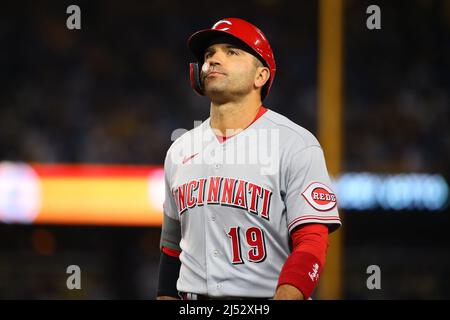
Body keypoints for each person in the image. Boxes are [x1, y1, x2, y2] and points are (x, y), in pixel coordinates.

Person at [157, 18, 341, 300]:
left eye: (232, 52)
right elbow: (171, 249)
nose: (215, 59)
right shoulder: (180, 150)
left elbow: (312, 243)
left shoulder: (295, 144)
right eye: (209, 54)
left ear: (261, 76)